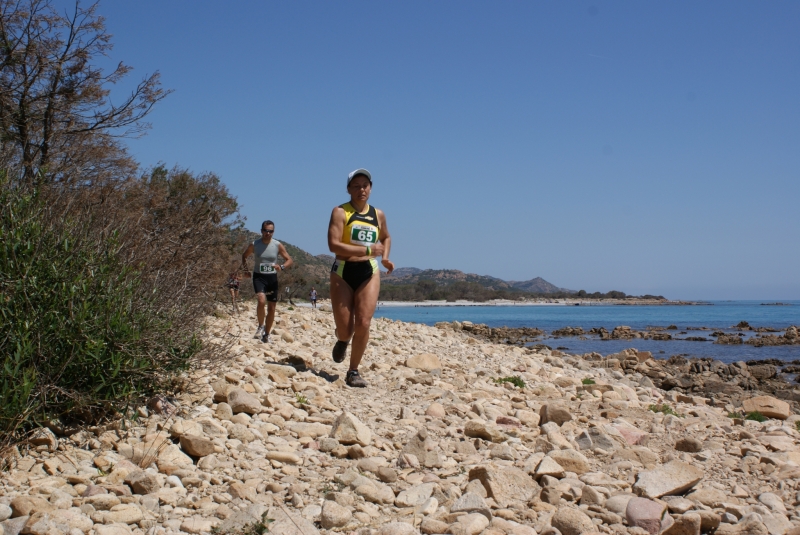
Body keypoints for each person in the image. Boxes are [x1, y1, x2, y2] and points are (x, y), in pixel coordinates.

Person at [327, 168, 394, 387]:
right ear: (348, 189)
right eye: (356, 186)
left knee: (364, 322)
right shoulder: (340, 212)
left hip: (369, 271)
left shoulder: (378, 214)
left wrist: (384, 258)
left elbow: (386, 237)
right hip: (343, 272)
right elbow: (333, 245)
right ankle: (343, 339)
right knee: (346, 329)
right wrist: (366, 251)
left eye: (365, 185)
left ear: (371, 189)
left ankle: (353, 371)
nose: (361, 189)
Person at [241, 220, 293, 343]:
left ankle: (267, 334)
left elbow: (289, 260)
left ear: (273, 232)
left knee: (272, 308)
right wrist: (246, 270)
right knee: (261, 300)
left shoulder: (277, 245)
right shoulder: (254, 244)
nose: (268, 233)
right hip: (259, 277)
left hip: (272, 278)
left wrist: (282, 267)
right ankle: (260, 325)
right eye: (266, 230)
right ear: (261, 231)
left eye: (270, 231)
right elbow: (244, 256)